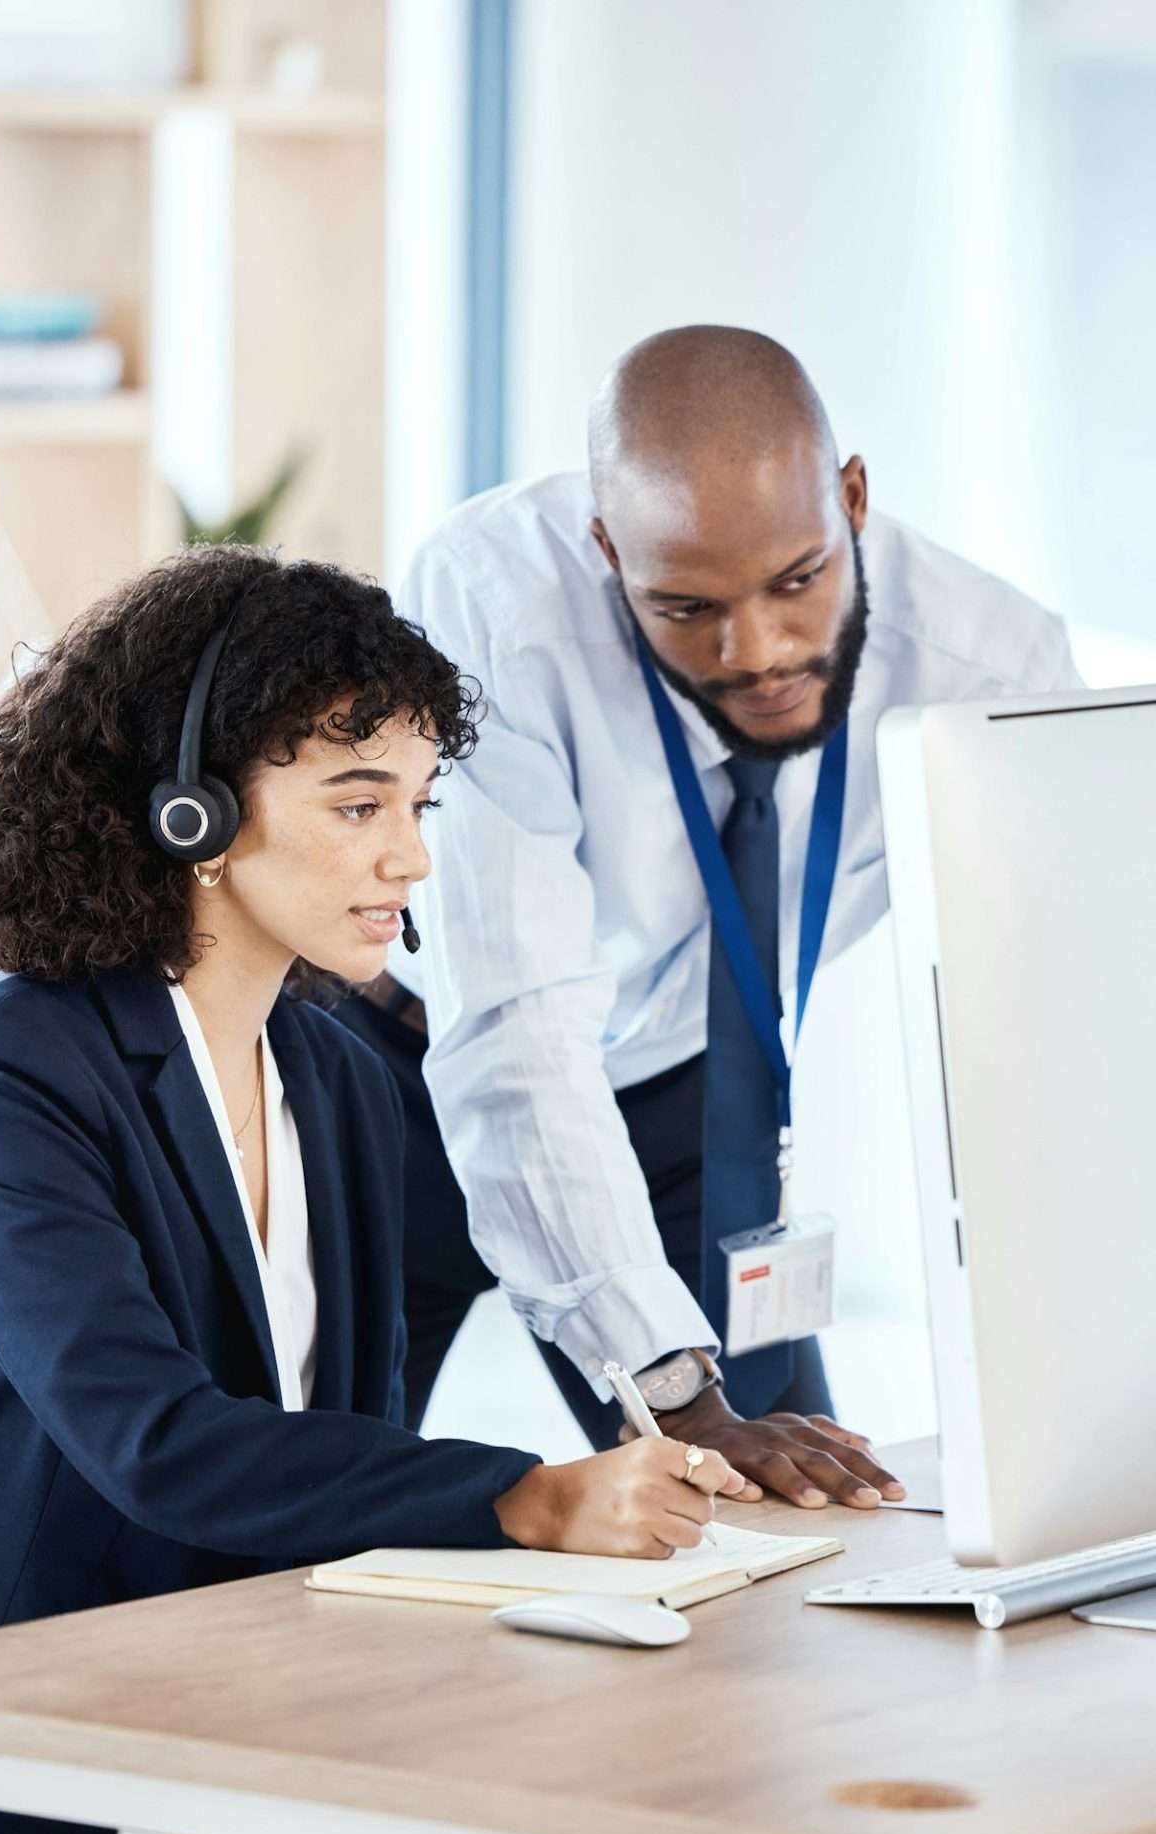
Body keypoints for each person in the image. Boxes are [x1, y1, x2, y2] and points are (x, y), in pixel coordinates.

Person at [0, 544, 733, 1834]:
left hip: (283, 1708)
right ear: (195, 814)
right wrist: (526, 1491)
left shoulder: (338, 1077)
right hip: (50, 1753)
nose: (411, 855)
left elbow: (348, 1445)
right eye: (357, 802)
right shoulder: (9, 1066)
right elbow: (152, 1439)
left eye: (417, 802)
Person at [335, 325, 1082, 1501]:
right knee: (319, 1518)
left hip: (688, 1088)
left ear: (851, 499)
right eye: (685, 606)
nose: (758, 651)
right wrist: (677, 1394)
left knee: (795, 1513)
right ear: (605, 549)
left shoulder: (991, 669)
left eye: (796, 580)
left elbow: (1075, 987)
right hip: (395, 1080)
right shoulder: (493, 600)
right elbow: (516, 1029)